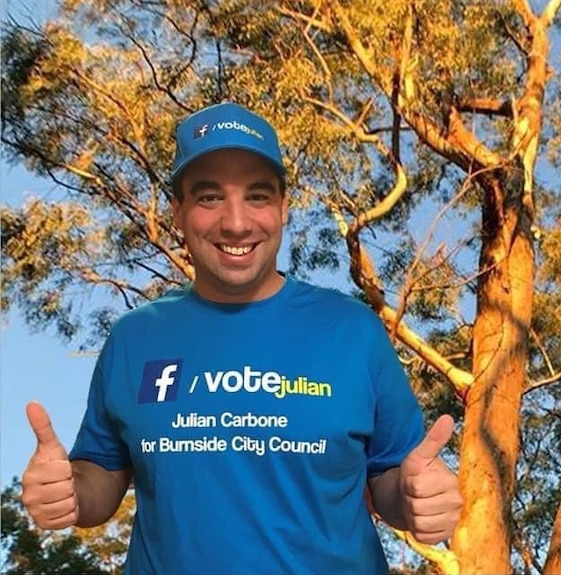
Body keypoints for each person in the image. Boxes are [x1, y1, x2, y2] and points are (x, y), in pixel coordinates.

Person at [20, 102, 463, 574]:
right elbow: (102, 474)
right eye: (210, 197)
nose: (236, 222)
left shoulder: (352, 330)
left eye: (257, 196)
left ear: (283, 207)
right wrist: (69, 491)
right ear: (179, 211)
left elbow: (391, 479)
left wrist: (419, 497)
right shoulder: (135, 337)